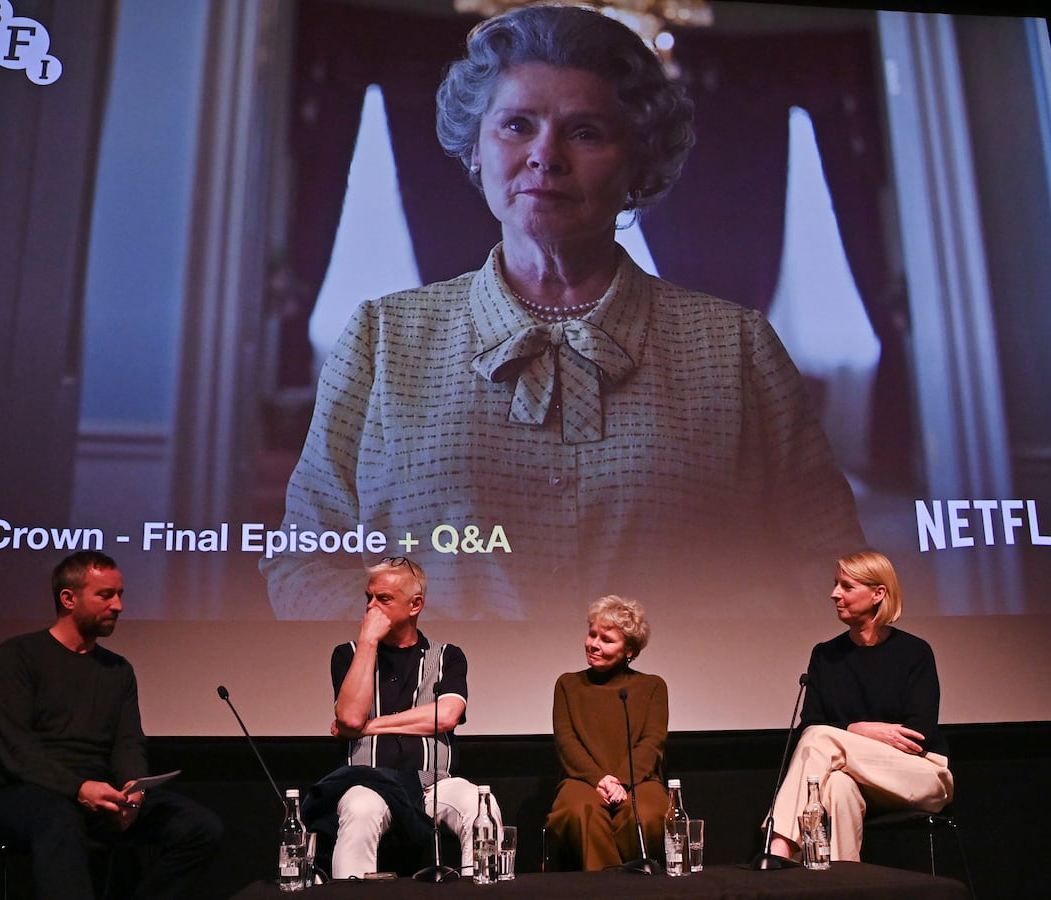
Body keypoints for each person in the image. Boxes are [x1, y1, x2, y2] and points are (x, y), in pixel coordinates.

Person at [263, 4, 864, 620]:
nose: (545, 156)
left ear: (637, 163)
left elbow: (833, 567)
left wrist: (720, 632)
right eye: (516, 125)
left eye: (586, 133)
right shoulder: (381, 338)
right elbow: (301, 566)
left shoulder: (738, 346)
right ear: (475, 149)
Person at [0, 551, 222, 899]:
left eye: (119, 595)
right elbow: (17, 751)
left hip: (97, 793)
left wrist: (133, 791)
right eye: (106, 595)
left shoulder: (117, 670)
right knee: (60, 819)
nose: (118, 606)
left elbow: (128, 741)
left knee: (200, 827)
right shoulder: (17, 657)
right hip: (21, 792)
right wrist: (78, 788)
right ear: (68, 598)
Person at [300, 556, 498, 879]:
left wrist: (370, 727)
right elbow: (350, 719)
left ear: (415, 605)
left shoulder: (447, 656)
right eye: (368, 597)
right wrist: (368, 641)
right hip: (368, 782)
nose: (371, 607)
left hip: (433, 785)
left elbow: (446, 716)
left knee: (480, 807)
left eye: (384, 599)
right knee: (359, 808)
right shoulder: (348, 654)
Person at [764, 549, 954, 862]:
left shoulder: (914, 653)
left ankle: (781, 847)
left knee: (820, 738)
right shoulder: (826, 655)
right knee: (838, 785)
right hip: (858, 779)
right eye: (835, 584)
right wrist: (859, 730)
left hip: (919, 775)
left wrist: (846, 737)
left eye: (847, 586)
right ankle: (845, 879)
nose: (834, 594)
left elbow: (916, 736)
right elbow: (809, 724)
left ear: (878, 594)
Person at [545, 595, 668, 870]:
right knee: (580, 811)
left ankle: (633, 883)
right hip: (582, 779)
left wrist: (621, 781)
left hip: (639, 780)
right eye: (592, 634)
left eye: (607, 640)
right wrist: (599, 779)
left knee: (647, 814)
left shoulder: (653, 687)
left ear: (629, 650)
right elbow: (567, 742)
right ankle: (611, 886)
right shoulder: (568, 684)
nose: (594, 644)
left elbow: (652, 743)